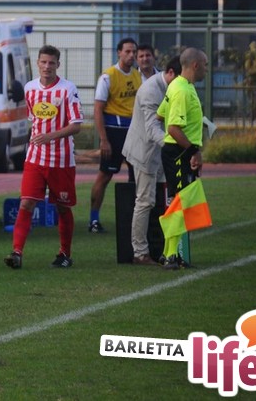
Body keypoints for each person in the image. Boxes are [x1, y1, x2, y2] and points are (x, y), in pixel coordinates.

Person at [4, 45, 83, 270]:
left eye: (51, 63)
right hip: (35, 157)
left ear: (58, 65)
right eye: (43, 62)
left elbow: (76, 125)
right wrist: (41, 138)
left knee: (62, 207)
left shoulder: (68, 89)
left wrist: (50, 136)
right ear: (37, 63)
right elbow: (34, 119)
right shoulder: (30, 88)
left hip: (61, 160)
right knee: (26, 202)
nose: (47, 67)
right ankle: (16, 252)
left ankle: (65, 254)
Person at [121, 56, 182, 266]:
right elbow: (151, 129)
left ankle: (163, 249)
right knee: (145, 201)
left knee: (164, 199)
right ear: (171, 73)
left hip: (161, 152)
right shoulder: (150, 91)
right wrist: (175, 146)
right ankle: (140, 253)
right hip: (144, 153)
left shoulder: (174, 87)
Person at [157, 47, 208, 270]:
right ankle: (170, 255)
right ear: (195, 65)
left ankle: (168, 253)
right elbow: (173, 127)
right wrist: (193, 151)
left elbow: (161, 114)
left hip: (178, 151)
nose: (207, 69)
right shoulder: (182, 90)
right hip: (178, 152)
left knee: (180, 202)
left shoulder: (180, 85)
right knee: (179, 202)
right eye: (205, 65)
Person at [88, 37, 140, 233]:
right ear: (119, 53)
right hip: (114, 132)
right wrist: (104, 139)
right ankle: (94, 220)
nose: (131, 55)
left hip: (134, 132)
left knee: (137, 177)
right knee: (105, 175)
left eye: (133, 52)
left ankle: (135, 222)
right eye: (127, 51)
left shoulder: (137, 75)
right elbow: (98, 109)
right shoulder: (108, 76)